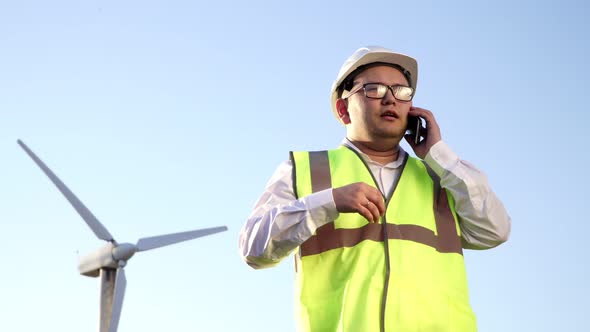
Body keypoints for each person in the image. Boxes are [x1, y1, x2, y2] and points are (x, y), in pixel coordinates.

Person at [238, 46, 511, 332]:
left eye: (402, 91)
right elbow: (253, 248)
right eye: (375, 89)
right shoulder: (307, 170)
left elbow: (494, 230)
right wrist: (328, 202)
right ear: (343, 109)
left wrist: (440, 155)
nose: (391, 98)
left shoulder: (441, 177)